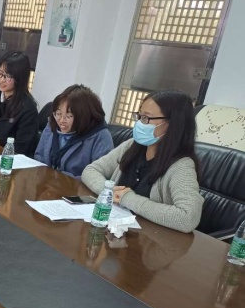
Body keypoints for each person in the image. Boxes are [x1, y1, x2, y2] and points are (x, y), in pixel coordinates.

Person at [81, 89, 204, 233]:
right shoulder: (132, 146)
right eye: (139, 116)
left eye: (146, 118)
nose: (139, 123)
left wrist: (128, 199)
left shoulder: (181, 166)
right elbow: (91, 170)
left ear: (171, 124)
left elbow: (188, 218)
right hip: (113, 230)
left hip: (148, 240)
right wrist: (108, 191)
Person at [34, 84, 113, 178]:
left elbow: (100, 176)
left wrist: (60, 178)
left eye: (69, 116)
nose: (62, 120)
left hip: (74, 186)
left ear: (84, 116)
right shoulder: (52, 123)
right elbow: (39, 156)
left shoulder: (100, 136)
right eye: (58, 113)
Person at [0, 51, 38, 155]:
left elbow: (22, 148)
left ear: (20, 78)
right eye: (0, 74)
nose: (1, 80)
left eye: (8, 76)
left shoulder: (28, 109)